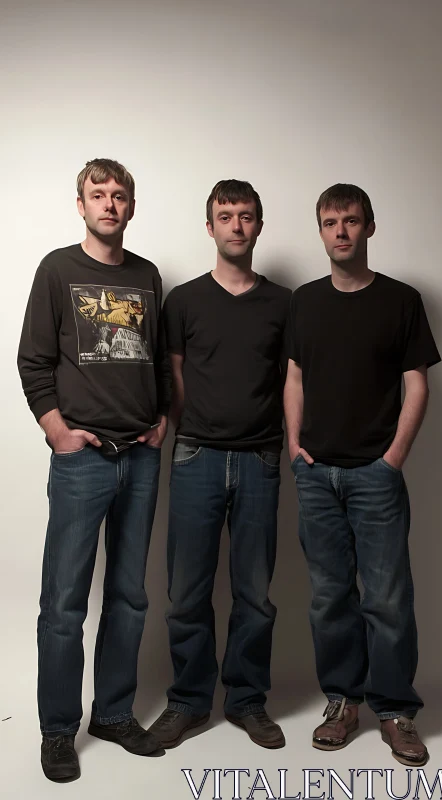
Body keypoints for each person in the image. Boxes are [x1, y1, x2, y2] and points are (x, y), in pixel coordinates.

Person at [17, 158, 171, 782]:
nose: (109, 204)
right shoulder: (58, 269)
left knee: (130, 597)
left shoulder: (148, 276)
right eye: (97, 194)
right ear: (80, 204)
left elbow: (157, 357)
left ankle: (112, 713)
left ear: (132, 207)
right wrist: (57, 430)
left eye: (120, 195)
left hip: (140, 455)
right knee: (64, 602)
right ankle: (59, 730)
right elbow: (33, 359)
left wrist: (162, 419)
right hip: (83, 461)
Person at [284, 183, 440, 766]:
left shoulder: (401, 301)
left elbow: (417, 383)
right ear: (320, 232)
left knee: (388, 599)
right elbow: (294, 377)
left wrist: (393, 459)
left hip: (376, 476)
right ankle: (343, 702)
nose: (341, 231)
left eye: (351, 221)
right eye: (330, 222)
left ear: (369, 228)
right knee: (329, 599)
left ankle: (396, 710)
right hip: (317, 475)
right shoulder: (304, 301)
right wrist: (296, 447)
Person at [148, 179, 290, 750]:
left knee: (255, 592)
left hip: (260, 457)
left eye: (246, 215)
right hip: (197, 454)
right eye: (225, 215)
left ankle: (247, 700)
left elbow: (289, 380)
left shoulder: (284, 303)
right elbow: (175, 375)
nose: (236, 224)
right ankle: (187, 701)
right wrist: (193, 430)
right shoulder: (183, 300)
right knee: (187, 590)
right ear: (210, 227)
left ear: (259, 226)